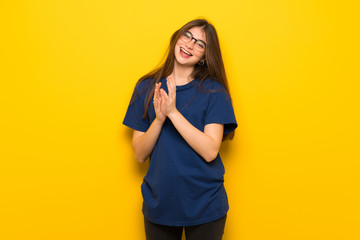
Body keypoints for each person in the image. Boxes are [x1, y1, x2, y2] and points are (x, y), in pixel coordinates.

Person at [123, 18, 237, 240]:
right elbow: (139, 154)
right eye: (187, 36)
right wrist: (159, 119)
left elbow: (210, 150)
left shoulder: (214, 92)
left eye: (200, 44)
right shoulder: (146, 87)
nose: (190, 45)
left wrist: (173, 113)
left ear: (205, 56)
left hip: (206, 204)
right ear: (176, 37)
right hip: (160, 203)